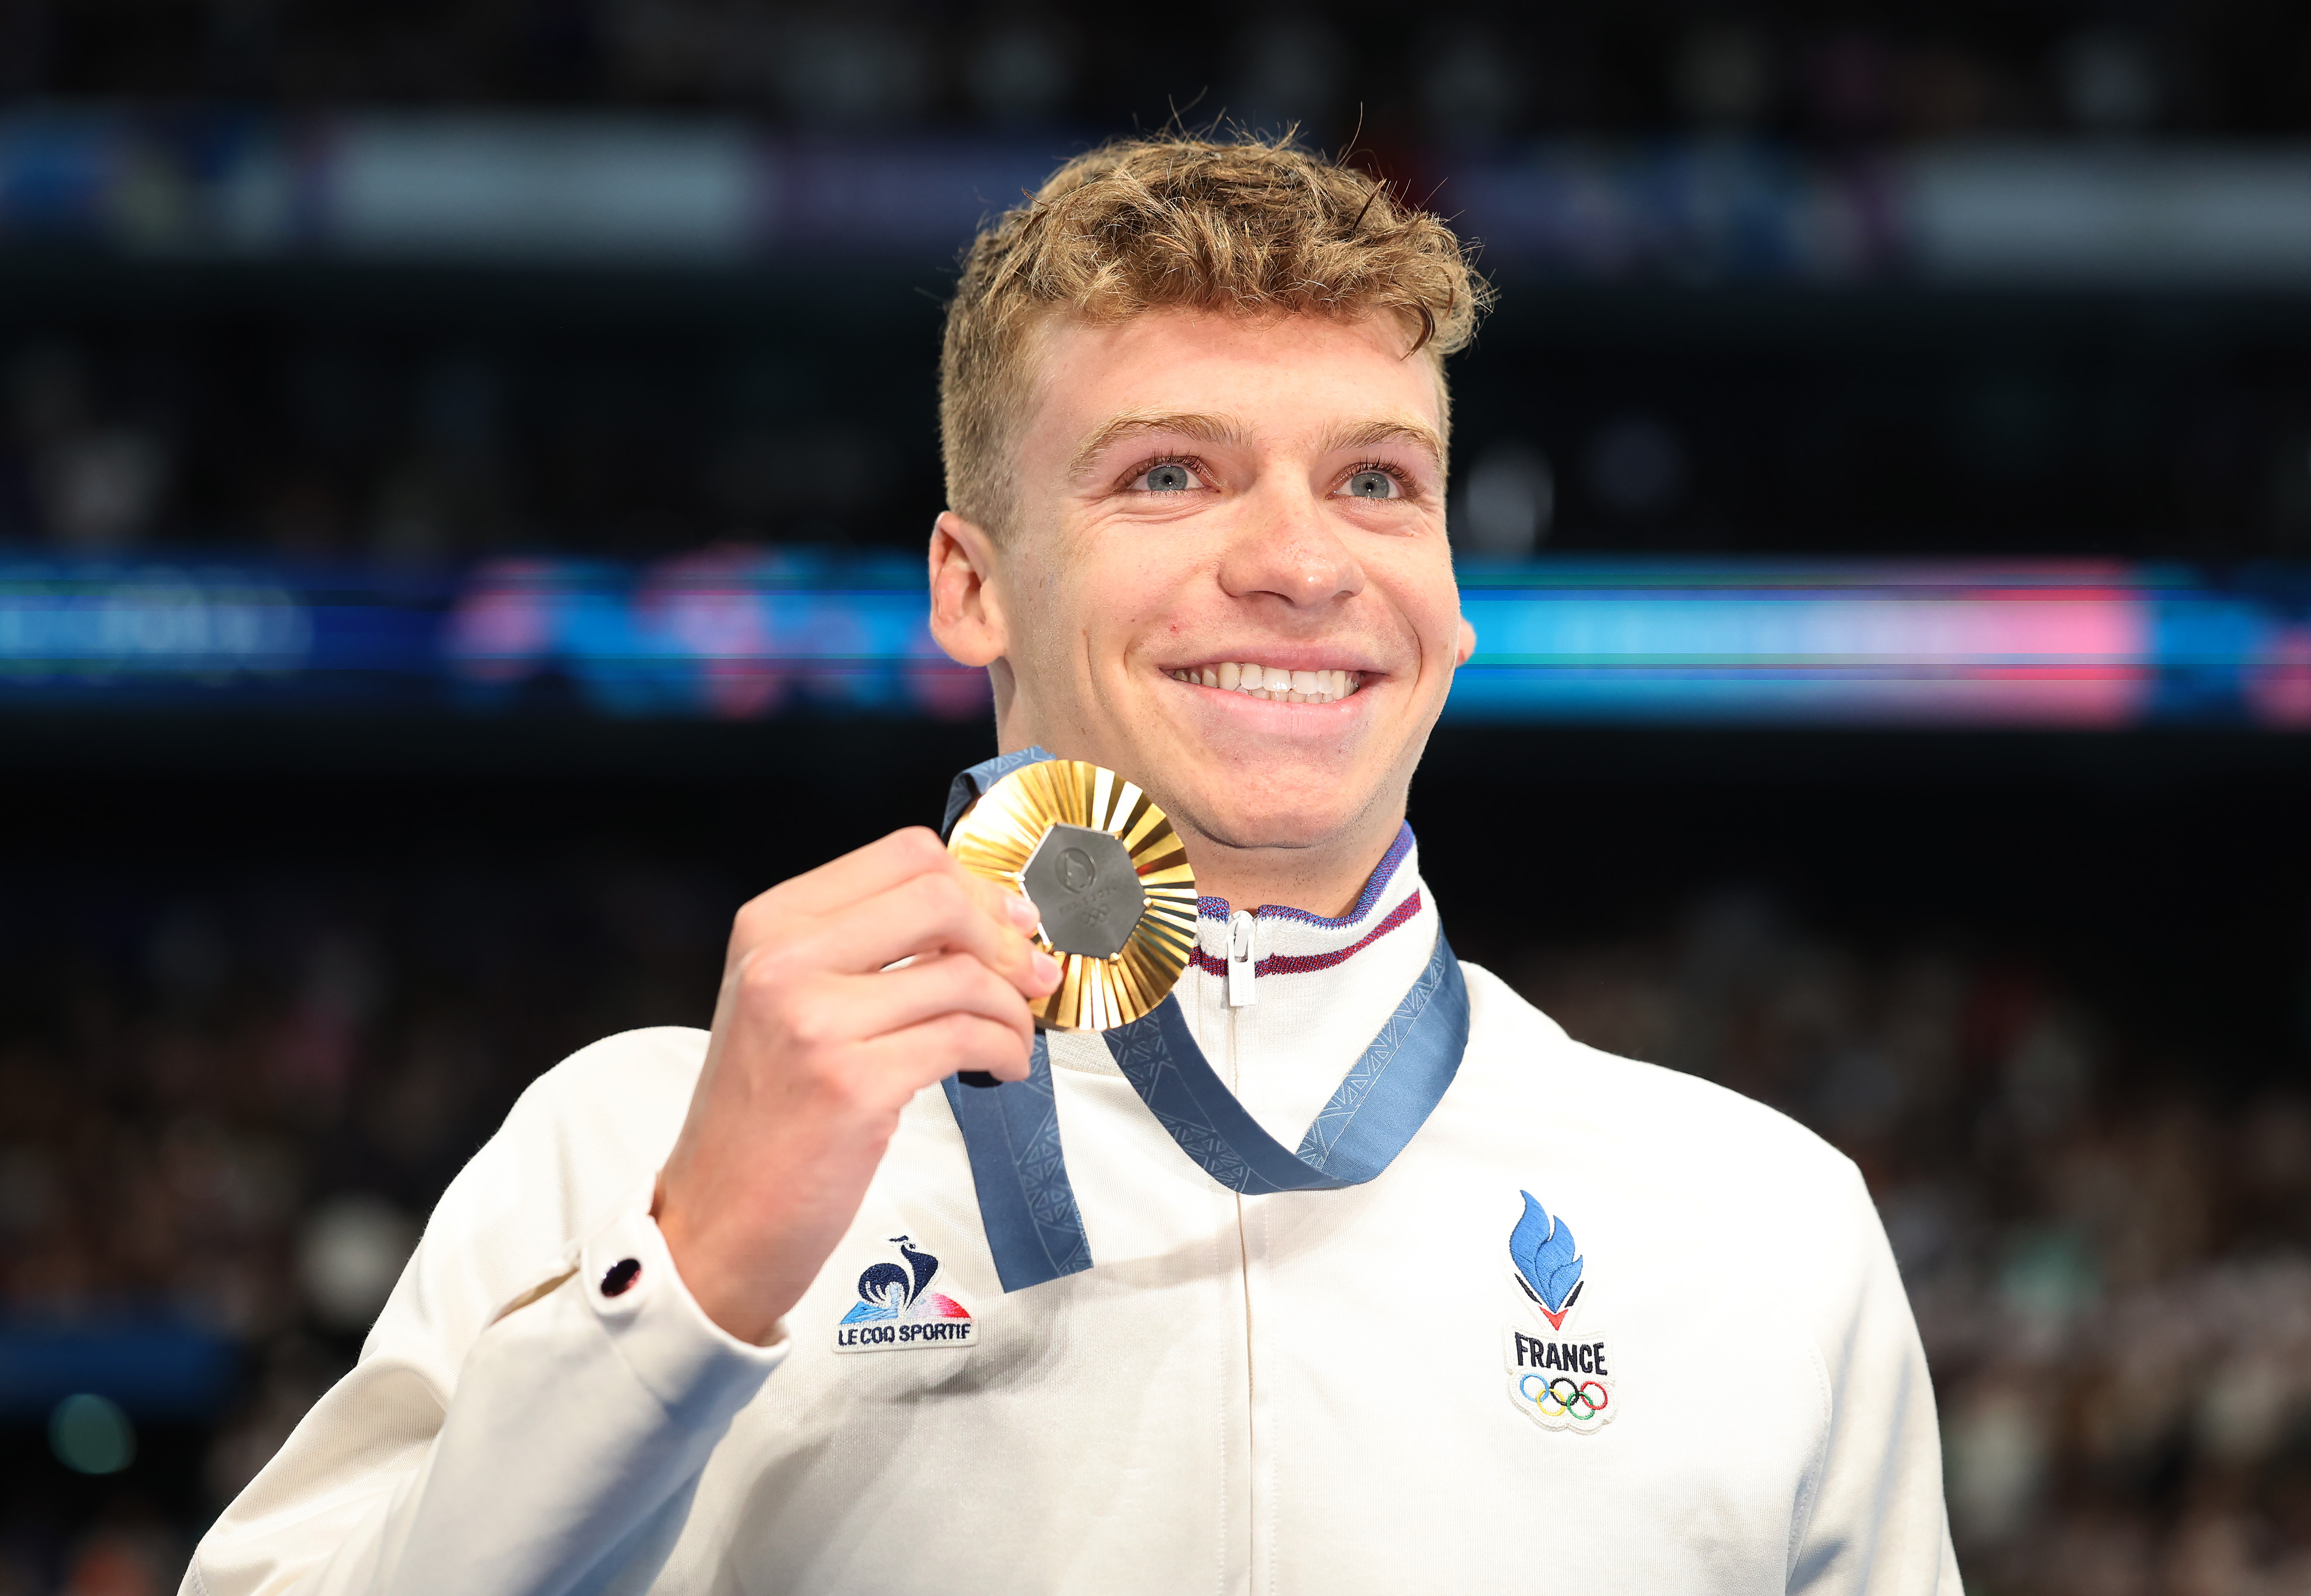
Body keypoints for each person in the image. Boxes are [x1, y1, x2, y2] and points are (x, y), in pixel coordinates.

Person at [186, 133, 1959, 1596]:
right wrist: (688, 1275)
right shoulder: (634, 1142)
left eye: (1375, 482)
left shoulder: (1755, 1220)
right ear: (970, 583)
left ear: (1450, 590)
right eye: (1171, 474)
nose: (1298, 562)